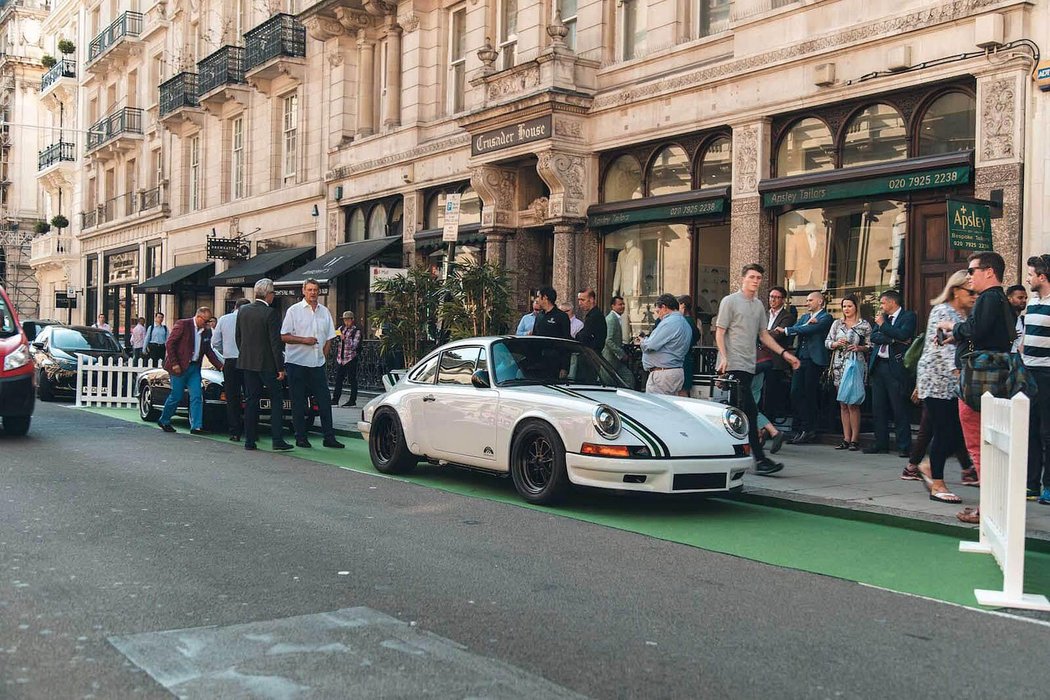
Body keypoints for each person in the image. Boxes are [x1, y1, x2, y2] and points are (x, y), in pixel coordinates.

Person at [937, 252, 1013, 524]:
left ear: (989, 272)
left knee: (978, 444)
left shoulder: (990, 298)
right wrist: (956, 337)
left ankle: (988, 508)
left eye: (972, 270)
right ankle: (992, 507)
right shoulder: (1000, 299)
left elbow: (976, 329)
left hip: (980, 381)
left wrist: (953, 327)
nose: (969, 276)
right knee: (987, 444)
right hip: (993, 378)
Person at [716, 264, 801, 476]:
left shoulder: (757, 306)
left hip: (749, 365)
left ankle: (735, 455)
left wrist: (785, 354)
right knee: (749, 412)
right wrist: (724, 358)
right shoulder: (730, 301)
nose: (756, 280)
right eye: (752, 277)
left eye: (759, 278)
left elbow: (764, 335)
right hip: (733, 365)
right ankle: (759, 459)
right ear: (743, 278)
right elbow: (720, 331)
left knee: (740, 413)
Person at [914, 271, 974, 505]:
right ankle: (936, 480)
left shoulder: (966, 314)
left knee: (955, 431)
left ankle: (931, 467)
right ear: (956, 290)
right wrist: (958, 371)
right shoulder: (942, 311)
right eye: (970, 292)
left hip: (954, 385)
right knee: (946, 430)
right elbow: (943, 346)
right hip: (938, 382)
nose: (974, 297)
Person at [281, 279, 344, 449]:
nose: (313, 293)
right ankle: (301, 437)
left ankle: (329, 437)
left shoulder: (324, 312)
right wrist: (304, 340)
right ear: (304, 291)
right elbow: (284, 336)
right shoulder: (294, 311)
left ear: (319, 291)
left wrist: (323, 355)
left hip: (317, 363)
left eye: (315, 290)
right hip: (297, 362)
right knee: (299, 401)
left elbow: (330, 337)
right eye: (309, 290)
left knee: (324, 401)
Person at [237, 278, 293, 452]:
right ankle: (277, 440)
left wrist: (246, 354)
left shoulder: (243, 311)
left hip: (247, 362)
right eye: (273, 293)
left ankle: (249, 441)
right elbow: (275, 343)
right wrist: (280, 368)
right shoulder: (271, 313)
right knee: (277, 400)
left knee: (251, 400)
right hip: (267, 364)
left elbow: (238, 338)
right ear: (269, 294)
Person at [865, 290, 917, 456]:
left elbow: (904, 334)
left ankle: (904, 446)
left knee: (899, 407)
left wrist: (884, 328)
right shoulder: (883, 319)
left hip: (895, 367)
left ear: (892, 302)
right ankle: (881, 443)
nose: (881, 307)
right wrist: (893, 339)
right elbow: (873, 337)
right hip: (878, 365)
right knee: (878, 407)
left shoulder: (908, 316)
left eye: (882, 303)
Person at [157, 307, 223, 435]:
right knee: (176, 395)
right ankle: (164, 419)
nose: (208, 324)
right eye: (206, 321)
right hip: (179, 367)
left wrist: (220, 366)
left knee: (197, 396)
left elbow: (208, 351)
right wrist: (174, 363)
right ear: (198, 318)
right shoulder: (183, 324)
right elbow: (170, 343)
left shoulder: (206, 332)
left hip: (194, 368)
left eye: (209, 321)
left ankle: (196, 426)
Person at [781, 291, 833, 444]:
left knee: (809, 394)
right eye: (807, 300)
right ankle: (800, 427)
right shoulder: (804, 317)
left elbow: (806, 330)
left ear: (820, 301)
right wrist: (803, 325)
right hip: (800, 358)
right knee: (795, 392)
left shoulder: (826, 317)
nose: (807, 303)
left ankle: (808, 429)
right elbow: (799, 328)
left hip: (814, 360)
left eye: (810, 300)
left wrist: (789, 330)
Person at [825, 295, 871, 450]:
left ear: (856, 307)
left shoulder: (863, 325)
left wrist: (859, 347)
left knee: (853, 403)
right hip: (839, 364)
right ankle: (845, 438)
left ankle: (855, 439)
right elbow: (827, 342)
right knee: (843, 403)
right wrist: (836, 343)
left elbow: (871, 345)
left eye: (849, 306)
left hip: (855, 364)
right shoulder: (837, 324)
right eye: (844, 306)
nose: (846, 309)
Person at [1023, 255, 1050, 505]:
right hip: (1028, 372)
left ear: (1042, 277)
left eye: (1030, 274)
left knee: (1047, 432)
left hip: (1047, 374)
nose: (1027, 278)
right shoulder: (1032, 301)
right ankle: (1030, 485)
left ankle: (1048, 486)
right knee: (1029, 430)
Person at [753, 286, 793, 453]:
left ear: (783, 299)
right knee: (757, 399)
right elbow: (761, 333)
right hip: (759, 360)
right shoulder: (764, 314)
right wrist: (766, 334)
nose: (773, 300)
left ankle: (768, 431)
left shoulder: (787, 316)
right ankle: (764, 432)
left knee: (768, 398)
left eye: (777, 297)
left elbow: (776, 336)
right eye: (771, 297)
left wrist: (765, 335)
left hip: (775, 362)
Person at [211, 298, 250, 442]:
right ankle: (251, 430)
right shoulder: (250, 319)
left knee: (232, 397)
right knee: (250, 395)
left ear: (235, 306)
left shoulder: (224, 319)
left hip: (230, 361)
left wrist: (225, 352)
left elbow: (215, 343)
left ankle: (234, 431)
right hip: (248, 361)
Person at [639, 293, 693, 396]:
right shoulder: (684, 323)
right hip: (675, 371)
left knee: (656, 409)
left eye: (658, 311)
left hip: (663, 374)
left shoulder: (670, 322)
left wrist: (642, 341)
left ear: (664, 307)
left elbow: (650, 345)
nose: (658, 315)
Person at [332, 311, 362, 407]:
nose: (346, 322)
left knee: (352, 379)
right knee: (338, 379)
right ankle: (335, 399)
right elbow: (335, 336)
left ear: (352, 320)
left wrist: (345, 339)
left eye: (348, 320)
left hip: (350, 358)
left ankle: (352, 400)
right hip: (341, 358)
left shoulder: (356, 331)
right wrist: (337, 337)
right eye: (345, 320)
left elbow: (354, 345)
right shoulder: (341, 329)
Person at [603, 295, 634, 386]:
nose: (622, 307)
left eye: (623, 304)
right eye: (620, 304)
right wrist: (621, 353)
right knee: (609, 383)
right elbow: (609, 340)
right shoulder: (612, 319)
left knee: (628, 379)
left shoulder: (616, 318)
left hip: (616, 360)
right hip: (610, 359)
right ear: (613, 306)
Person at [677, 295, 702, 398]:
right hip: (687, 358)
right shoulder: (691, 321)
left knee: (682, 391)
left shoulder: (684, 321)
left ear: (682, 305)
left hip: (683, 359)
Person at [575, 288, 607, 355]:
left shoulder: (594, 316)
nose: (580, 303)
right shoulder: (593, 314)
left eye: (583, 300)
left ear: (591, 300)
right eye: (579, 300)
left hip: (591, 355)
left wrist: (577, 336)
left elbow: (585, 336)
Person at [1007, 284, 1027, 353]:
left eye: (1025, 298)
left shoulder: (1024, 320)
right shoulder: (1004, 319)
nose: (1024, 300)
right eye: (1020, 298)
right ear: (1009, 298)